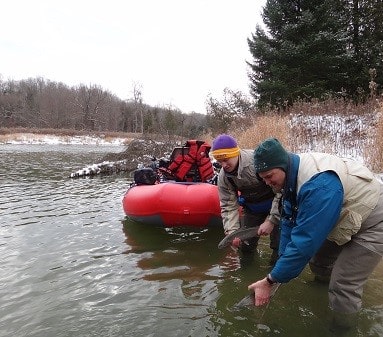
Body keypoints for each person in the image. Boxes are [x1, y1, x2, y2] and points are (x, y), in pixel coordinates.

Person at [248, 137, 383, 327]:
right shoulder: (289, 177)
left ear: (283, 166)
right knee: (320, 262)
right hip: (343, 214)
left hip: (374, 221)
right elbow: (288, 220)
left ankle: (342, 329)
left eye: (270, 176)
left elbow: (305, 242)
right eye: (263, 179)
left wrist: (270, 280)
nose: (268, 182)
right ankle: (323, 295)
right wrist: (282, 262)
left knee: (343, 285)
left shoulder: (318, 186)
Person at [210, 134, 280, 261]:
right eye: (219, 161)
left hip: (276, 205)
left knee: (278, 244)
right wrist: (232, 232)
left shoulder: (257, 162)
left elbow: (281, 190)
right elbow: (228, 205)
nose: (224, 165)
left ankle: (274, 274)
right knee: (245, 247)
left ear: (236, 153)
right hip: (252, 209)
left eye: (226, 159)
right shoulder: (223, 177)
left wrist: (271, 220)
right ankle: (246, 272)